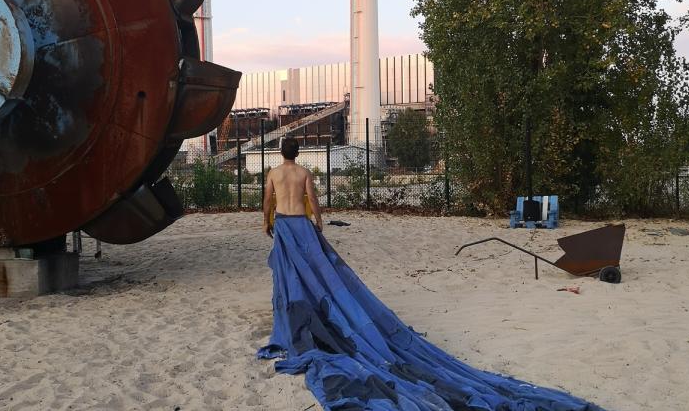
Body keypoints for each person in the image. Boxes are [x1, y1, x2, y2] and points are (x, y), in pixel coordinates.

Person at [258, 137, 602, 410]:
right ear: (299, 152)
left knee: (289, 275)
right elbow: (313, 201)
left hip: (286, 226)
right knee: (320, 273)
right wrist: (318, 222)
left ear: (280, 152)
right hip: (301, 224)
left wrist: (265, 223)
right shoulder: (303, 174)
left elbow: (268, 201)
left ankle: (292, 318)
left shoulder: (274, 173)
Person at [262, 137, 322, 238]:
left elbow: (267, 199)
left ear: (281, 153)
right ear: (297, 154)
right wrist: (319, 220)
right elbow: (312, 198)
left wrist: (266, 221)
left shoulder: (273, 173)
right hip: (300, 218)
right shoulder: (304, 172)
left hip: (282, 219)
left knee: (283, 252)